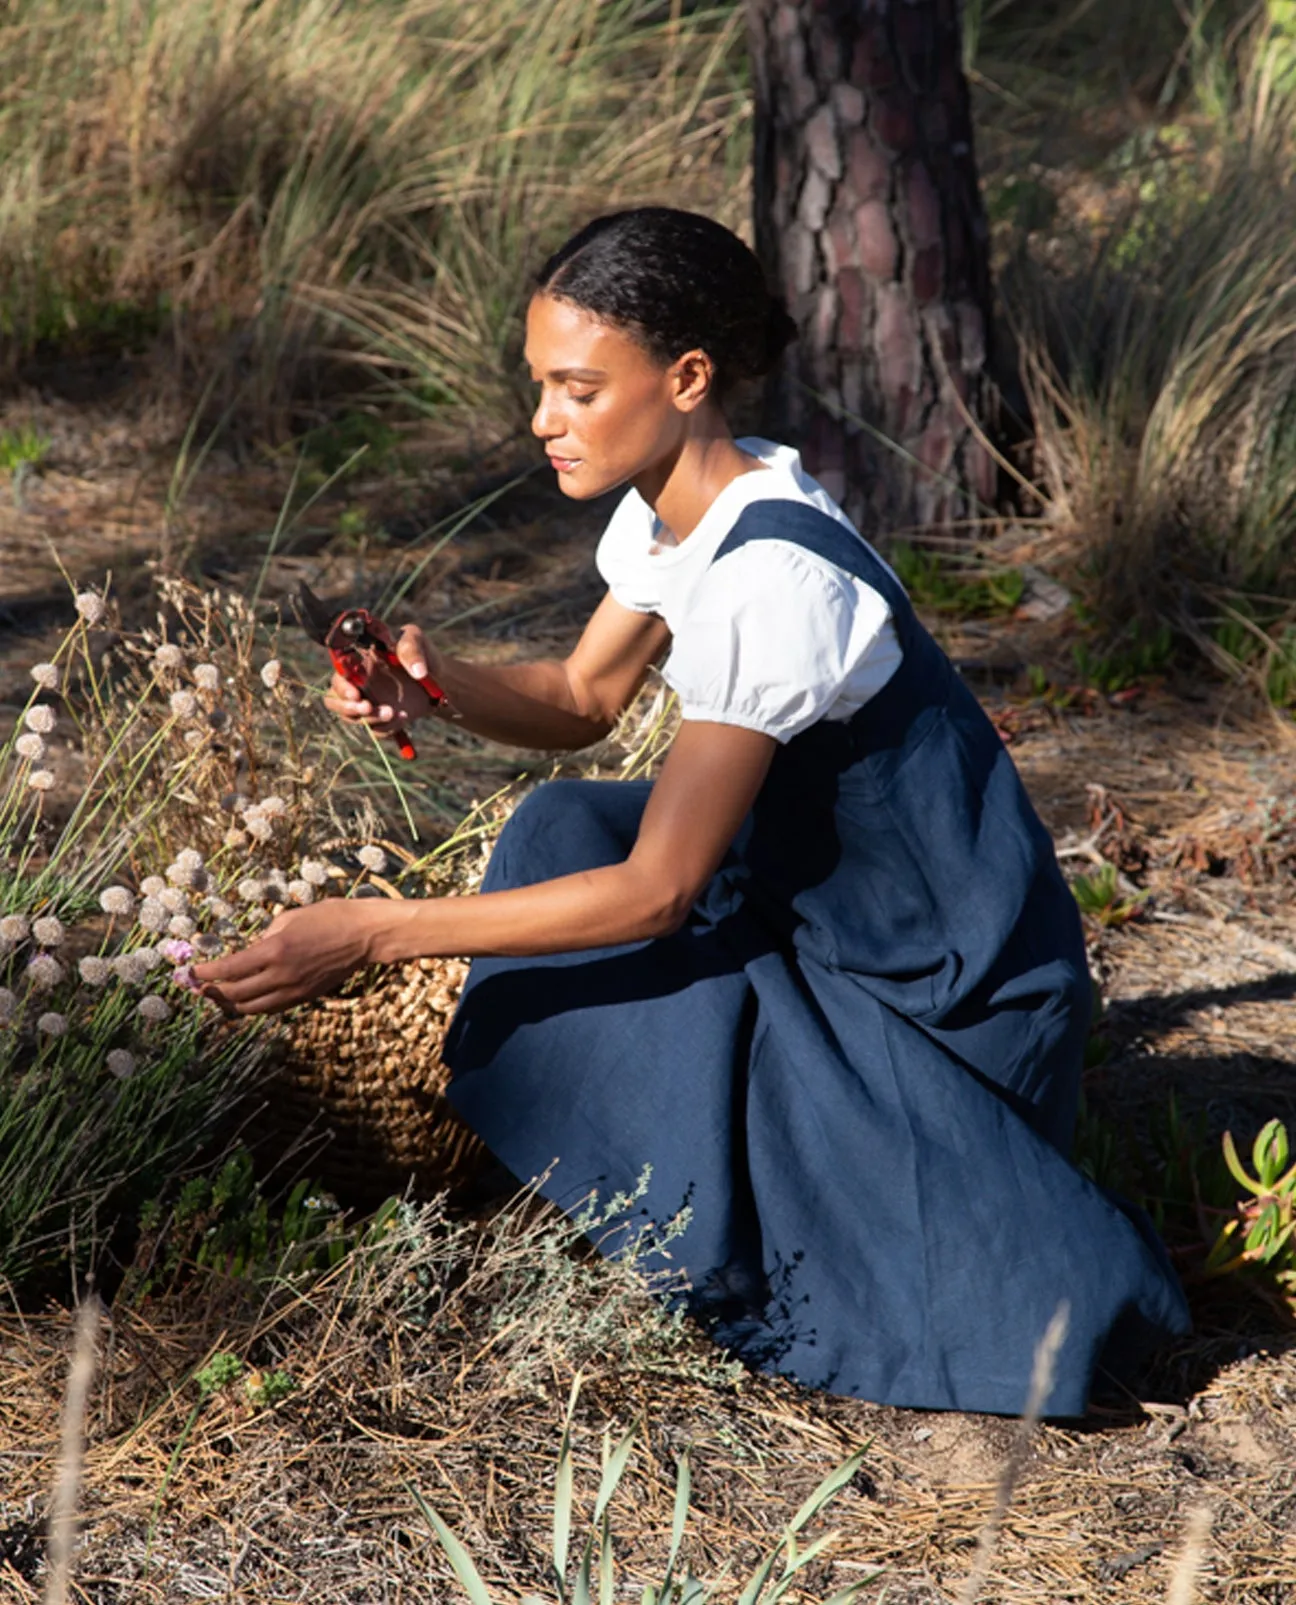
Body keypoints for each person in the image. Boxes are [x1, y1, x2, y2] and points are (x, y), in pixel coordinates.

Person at [194, 207, 1189, 1415]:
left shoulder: (776, 578)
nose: (542, 422)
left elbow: (661, 892)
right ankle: (642, 1166)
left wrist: (373, 928)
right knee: (561, 828)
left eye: (575, 390)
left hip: (941, 1006)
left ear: (687, 376)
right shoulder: (693, 504)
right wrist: (432, 683)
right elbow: (580, 697)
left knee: (607, 900)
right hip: (834, 927)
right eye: (539, 388)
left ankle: (714, 1237)